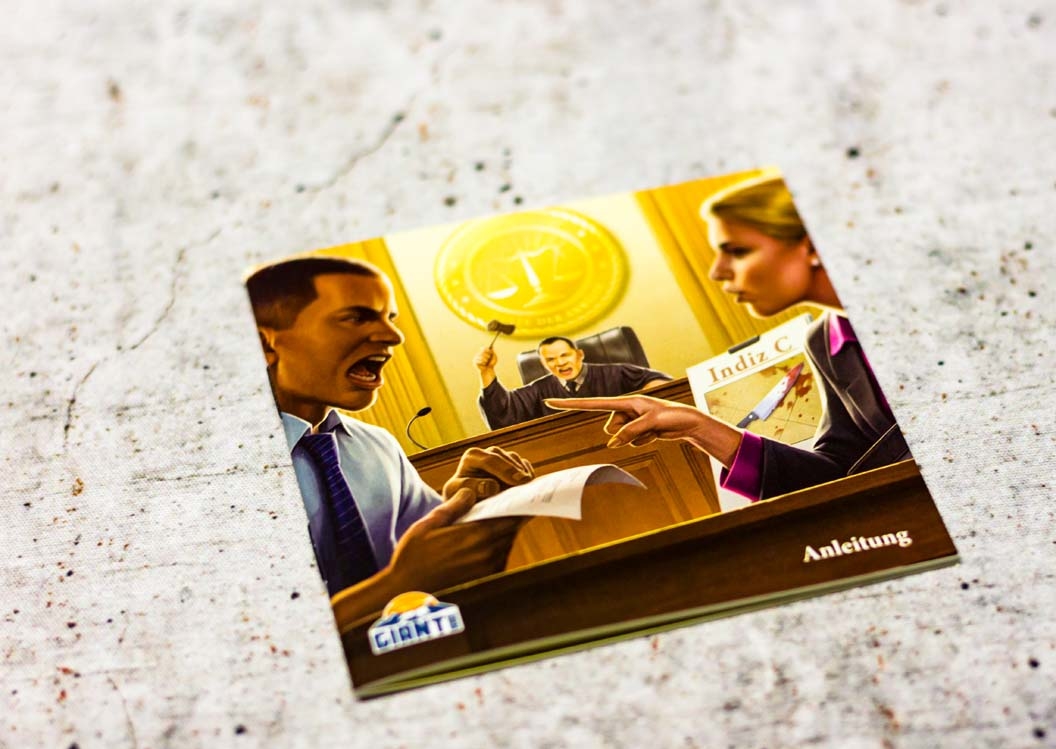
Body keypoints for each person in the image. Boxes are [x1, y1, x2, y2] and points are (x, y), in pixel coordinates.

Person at [548, 175, 912, 501]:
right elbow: (840, 475)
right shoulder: (825, 343)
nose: (717, 271)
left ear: (812, 246)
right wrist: (696, 426)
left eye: (737, 251)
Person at [246, 256, 535, 607]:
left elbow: (428, 558)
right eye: (356, 318)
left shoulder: (378, 446)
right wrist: (398, 584)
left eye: (390, 318)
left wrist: (465, 504)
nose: (394, 336)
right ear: (265, 345)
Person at [474, 335, 671, 429]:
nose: (560, 363)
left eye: (565, 355)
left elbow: (660, 385)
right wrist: (486, 371)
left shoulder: (616, 373)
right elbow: (503, 411)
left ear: (579, 354)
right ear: (543, 363)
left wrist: (645, 401)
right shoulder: (538, 391)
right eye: (550, 359)